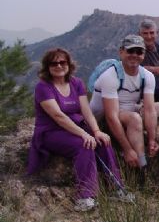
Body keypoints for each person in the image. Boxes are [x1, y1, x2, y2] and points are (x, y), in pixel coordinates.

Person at [28, 48, 131, 212]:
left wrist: (96, 131)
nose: (59, 66)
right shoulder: (43, 87)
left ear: (69, 64)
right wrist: (84, 134)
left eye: (62, 62)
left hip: (74, 128)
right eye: (54, 63)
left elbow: (86, 110)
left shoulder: (76, 83)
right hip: (51, 132)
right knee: (84, 144)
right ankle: (84, 197)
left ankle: (116, 187)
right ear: (47, 67)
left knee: (102, 141)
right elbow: (58, 116)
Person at [90, 35, 159, 168]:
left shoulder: (147, 76)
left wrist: (152, 139)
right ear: (121, 52)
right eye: (130, 51)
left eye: (139, 52)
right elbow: (111, 116)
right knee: (135, 119)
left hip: (127, 112)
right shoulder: (110, 76)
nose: (134, 55)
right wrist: (127, 149)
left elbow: (149, 109)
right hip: (102, 119)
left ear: (144, 54)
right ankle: (141, 165)